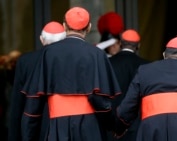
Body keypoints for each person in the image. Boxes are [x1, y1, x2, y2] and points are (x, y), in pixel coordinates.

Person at [21, 7, 121, 141]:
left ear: (64, 26)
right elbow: (100, 101)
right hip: (90, 128)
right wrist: (114, 126)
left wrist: (28, 136)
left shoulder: (48, 53)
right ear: (89, 27)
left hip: (58, 128)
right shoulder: (96, 54)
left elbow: (33, 106)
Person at [8, 21, 66, 141]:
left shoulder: (25, 61)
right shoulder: (72, 59)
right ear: (65, 40)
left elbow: (18, 103)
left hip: (34, 127)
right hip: (65, 126)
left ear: (41, 39)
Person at [107, 29, 149, 141]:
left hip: (113, 123)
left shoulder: (108, 63)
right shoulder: (147, 66)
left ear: (120, 43)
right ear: (138, 46)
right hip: (139, 124)